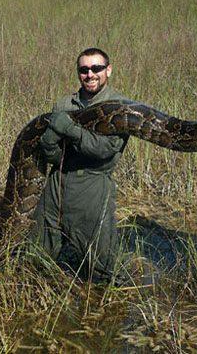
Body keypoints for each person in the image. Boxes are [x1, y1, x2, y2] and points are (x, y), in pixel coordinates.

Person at [31, 47, 130, 283]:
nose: (90, 74)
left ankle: (100, 312)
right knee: (38, 252)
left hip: (92, 184)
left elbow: (105, 150)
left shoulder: (120, 106)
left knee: (101, 268)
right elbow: (55, 157)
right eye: (84, 70)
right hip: (58, 182)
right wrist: (48, 147)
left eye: (96, 68)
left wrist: (71, 130)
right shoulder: (65, 104)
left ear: (109, 70)